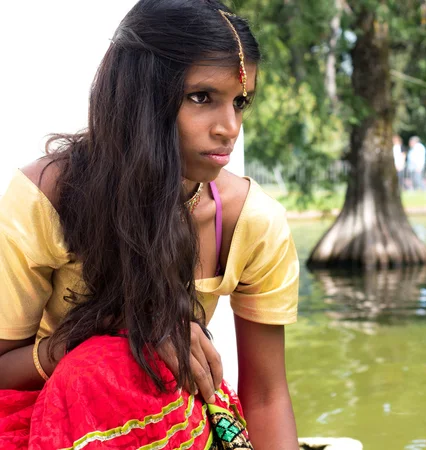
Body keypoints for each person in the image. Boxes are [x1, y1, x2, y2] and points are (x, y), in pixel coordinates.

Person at [0, 1, 300, 449]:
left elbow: (267, 395)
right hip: (49, 418)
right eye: (201, 98)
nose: (229, 127)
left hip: (174, 427)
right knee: (115, 359)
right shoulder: (49, 197)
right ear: (142, 96)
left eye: (240, 102)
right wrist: (118, 331)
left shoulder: (251, 221)